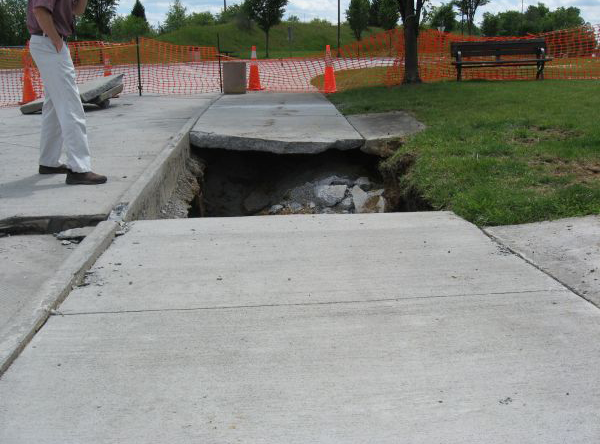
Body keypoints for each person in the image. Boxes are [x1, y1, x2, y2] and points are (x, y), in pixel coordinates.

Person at [27, 0, 107, 185]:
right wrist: (57, 42)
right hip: (49, 42)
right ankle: (79, 168)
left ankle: (49, 162)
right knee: (71, 106)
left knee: (54, 106)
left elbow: (77, 11)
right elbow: (39, 10)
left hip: (50, 41)